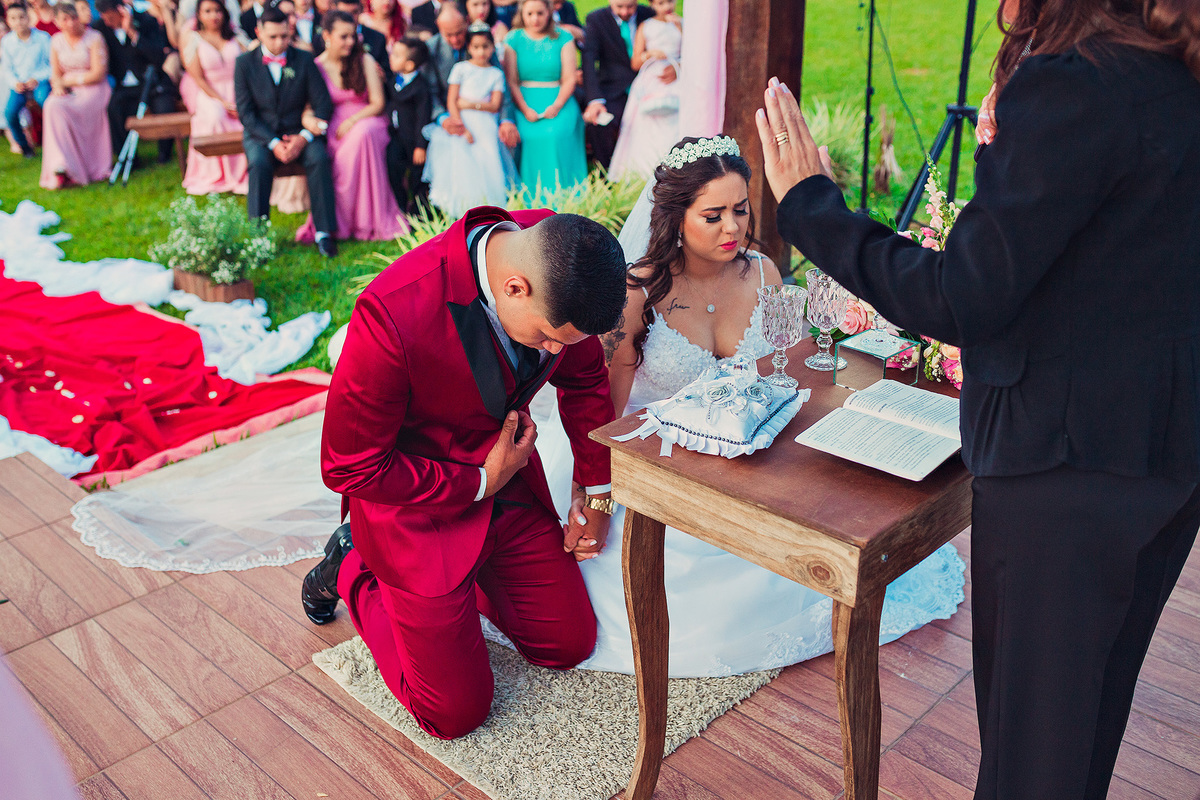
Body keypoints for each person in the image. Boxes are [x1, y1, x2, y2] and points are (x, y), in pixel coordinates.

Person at [756, 0, 1200, 795]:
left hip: (1067, 474)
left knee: (1031, 762)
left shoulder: (1076, 84)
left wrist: (810, 205)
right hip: (1166, 456)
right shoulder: (1173, 67)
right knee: (1084, 728)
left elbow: (964, 297)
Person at [527, 136, 966, 676]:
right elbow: (607, 412)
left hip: (751, 448)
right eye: (712, 215)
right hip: (658, 454)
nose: (732, 228)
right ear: (675, 218)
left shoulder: (762, 274)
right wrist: (595, 495)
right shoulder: (636, 292)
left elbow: (781, 375)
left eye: (740, 209)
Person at [307, 208, 627, 740]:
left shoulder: (558, 254)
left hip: (511, 494)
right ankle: (350, 567)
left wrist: (597, 495)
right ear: (515, 287)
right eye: (550, 338)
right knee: (454, 716)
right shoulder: (390, 313)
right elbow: (349, 466)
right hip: (417, 513)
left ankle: (463, 591)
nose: (556, 352)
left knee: (567, 644)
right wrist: (479, 481)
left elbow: (587, 378)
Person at [295, 9, 407, 242]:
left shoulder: (364, 60)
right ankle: (341, 224)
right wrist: (308, 120)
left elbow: (378, 103)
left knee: (361, 135)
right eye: (343, 36)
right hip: (335, 128)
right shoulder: (315, 66)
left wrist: (354, 121)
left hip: (369, 121)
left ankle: (366, 222)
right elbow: (308, 107)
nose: (350, 41)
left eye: (352, 35)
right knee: (341, 152)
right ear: (327, 35)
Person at [234, 5, 337, 255]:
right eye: (273, 37)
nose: (280, 42)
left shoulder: (303, 60)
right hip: (262, 136)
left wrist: (303, 138)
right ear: (258, 32)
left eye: (285, 36)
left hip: (298, 132)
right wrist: (273, 143)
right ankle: (258, 237)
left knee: (319, 158)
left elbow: (323, 104)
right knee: (258, 164)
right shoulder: (244, 64)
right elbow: (246, 113)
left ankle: (324, 233)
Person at [422, 22, 515, 215]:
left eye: (485, 47)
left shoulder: (496, 74)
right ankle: (463, 208)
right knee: (463, 164)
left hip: (486, 124)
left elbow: (495, 105)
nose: (481, 52)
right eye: (476, 47)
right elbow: (452, 100)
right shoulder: (461, 69)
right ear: (469, 47)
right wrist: (462, 127)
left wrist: (470, 104)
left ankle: (492, 207)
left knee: (489, 161)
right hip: (463, 122)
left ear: (492, 47)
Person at [502, 0, 583, 190]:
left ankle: (566, 191)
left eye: (540, 13)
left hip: (558, 98)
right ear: (522, 14)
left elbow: (569, 78)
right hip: (524, 100)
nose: (535, 19)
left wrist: (556, 105)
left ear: (549, 12)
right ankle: (529, 194)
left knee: (557, 133)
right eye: (529, 14)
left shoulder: (563, 37)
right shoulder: (513, 39)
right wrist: (524, 108)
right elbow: (511, 81)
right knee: (529, 135)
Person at [422, 2, 517, 151]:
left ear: (466, 21)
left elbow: (500, 81)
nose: (455, 40)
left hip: (485, 116)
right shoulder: (431, 48)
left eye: (459, 33)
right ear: (438, 26)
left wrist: (506, 120)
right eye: (448, 35)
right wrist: (443, 118)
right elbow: (430, 91)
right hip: (449, 117)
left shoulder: (480, 44)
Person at [94, 0, 177, 165]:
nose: (106, 20)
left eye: (109, 16)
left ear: (120, 11)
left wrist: (132, 32)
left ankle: (164, 155)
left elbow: (158, 57)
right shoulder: (100, 29)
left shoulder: (147, 21)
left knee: (165, 106)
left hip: (153, 82)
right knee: (114, 109)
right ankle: (127, 160)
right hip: (124, 86)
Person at [39, 1, 111, 188]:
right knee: (52, 105)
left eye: (73, 18)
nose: (70, 23)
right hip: (68, 90)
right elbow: (55, 73)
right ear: (57, 22)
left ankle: (88, 166)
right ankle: (61, 166)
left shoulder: (94, 38)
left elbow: (98, 73)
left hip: (94, 88)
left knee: (75, 107)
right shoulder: (56, 41)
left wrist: (69, 81)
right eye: (65, 19)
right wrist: (58, 86)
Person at [606, 0, 678, 180]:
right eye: (660, 3)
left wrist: (678, 67)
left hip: (677, 80)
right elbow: (636, 62)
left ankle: (675, 171)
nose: (666, 7)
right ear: (652, 4)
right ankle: (645, 172)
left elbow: (693, 52)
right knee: (647, 128)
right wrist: (650, 54)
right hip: (652, 78)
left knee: (675, 126)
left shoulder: (682, 24)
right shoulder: (646, 26)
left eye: (670, 1)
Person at [180, 0, 246, 193]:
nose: (213, 15)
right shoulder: (194, 39)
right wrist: (222, 101)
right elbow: (198, 78)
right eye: (207, 11)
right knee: (216, 116)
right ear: (199, 15)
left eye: (217, 10)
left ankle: (244, 173)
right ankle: (218, 174)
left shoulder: (237, 37)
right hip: (210, 93)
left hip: (238, 89)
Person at [580, 0, 651, 170]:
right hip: (614, 90)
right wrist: (595, 100)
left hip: (647, 86)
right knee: (599, 124)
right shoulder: (596, 19)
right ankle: (608, 173)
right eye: (620, 7)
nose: (625, 11)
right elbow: (589, 59)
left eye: (630, 7)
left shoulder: (649, 14)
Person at [383, 33, 430, 213]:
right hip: (397, 136)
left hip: (414, 141)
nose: (391, 58)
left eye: (396, 55)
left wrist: (421, 145)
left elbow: (423, 117)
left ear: (409, 65)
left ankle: (419, 213)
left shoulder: (420, 87)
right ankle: (401, 207)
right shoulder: (394, 80)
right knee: (393, 167)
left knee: (417, 178)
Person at [2, 2, 52, 158]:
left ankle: (53, 142)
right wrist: (15, 83)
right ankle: (25, 147)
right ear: (8, 21)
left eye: (21, 17)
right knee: (9, 113)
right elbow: (7, 68)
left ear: (28, 18)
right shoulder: (7, 42)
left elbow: (52, 65)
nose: (18, 22)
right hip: (19, 85)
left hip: (40, 82)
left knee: (46, 103)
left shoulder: (43, 38)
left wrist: (37, 78)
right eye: (13, 18)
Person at [311, 0, 387, 82]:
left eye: (354, 12)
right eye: (344, 14)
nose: (350, 18)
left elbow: (389, 77)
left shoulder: (377, 39)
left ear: (361, 10)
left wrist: (381, 76)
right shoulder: (318, 42)